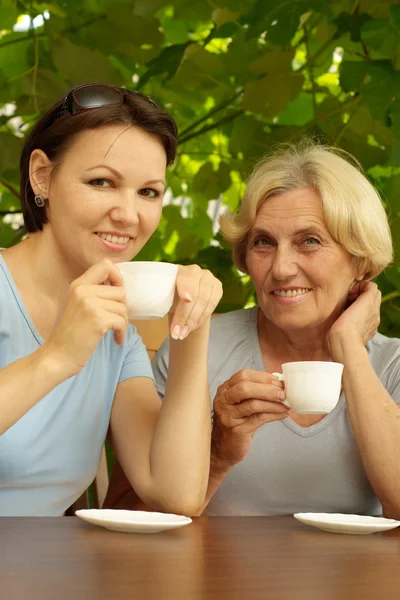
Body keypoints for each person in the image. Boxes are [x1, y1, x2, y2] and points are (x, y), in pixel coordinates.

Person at [104, 141, 400, 519]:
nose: (281, 268)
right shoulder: (196, 347)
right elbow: (125, 513)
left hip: (356, 579)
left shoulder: (392, 365)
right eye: (264, 243)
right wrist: (217, 453)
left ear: (361, 261)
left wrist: (349, 348)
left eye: (309, 241)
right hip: (216, 578)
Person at [0, 83, 222, 517]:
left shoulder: (117, 335)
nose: (128, 214)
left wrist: (192, 325)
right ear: (42, 175)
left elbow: (175, 493)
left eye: (148, 192)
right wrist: (59, 356)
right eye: (102, 182)